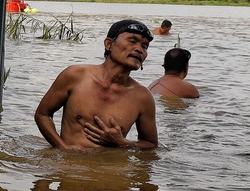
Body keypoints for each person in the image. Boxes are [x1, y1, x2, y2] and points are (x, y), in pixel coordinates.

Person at [35, 19, 158, 150]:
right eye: (132, 41)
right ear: (109, 44)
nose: (139, 49)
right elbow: (42, 114)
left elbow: (151, 144)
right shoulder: (76, 76)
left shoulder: (142, 97)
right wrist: (62, 147)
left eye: (145, 46)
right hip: (69, 167)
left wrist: (123, 143)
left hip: (110, 168)